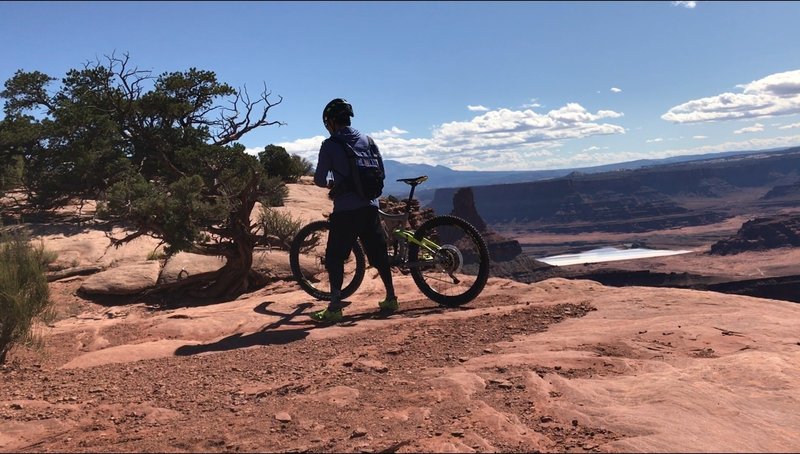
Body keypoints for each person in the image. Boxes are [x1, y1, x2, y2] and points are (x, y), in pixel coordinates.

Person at [310, 98, 398, 323]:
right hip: (370, 207)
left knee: (334, 257)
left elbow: (319, 179)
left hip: (346, 211)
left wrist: (333, 183)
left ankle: (335, 306)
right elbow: (382, 173)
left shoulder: (330, 144)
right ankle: (391, 298)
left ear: (330, 121)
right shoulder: (368, 140)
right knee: (378, 255)